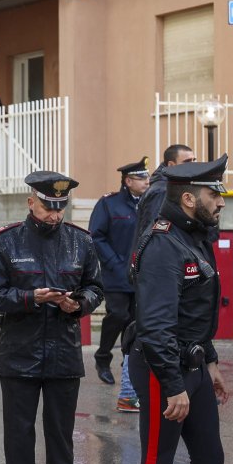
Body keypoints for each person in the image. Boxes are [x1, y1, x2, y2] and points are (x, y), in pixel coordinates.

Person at [0, 171, 104, 464]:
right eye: (49, 206)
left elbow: (95, 287)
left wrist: (78, 305)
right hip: (19, 354)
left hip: (64, 354)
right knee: (19, 438)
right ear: (30, 201)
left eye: (61, 207)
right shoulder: (7, 240)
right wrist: (30, 298)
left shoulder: (81, 241)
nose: (55, 215)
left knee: (62, 438)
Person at [127, 154, 229, 464]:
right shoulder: (163, 244)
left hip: (194, 365)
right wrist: (173, 385)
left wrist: (210, 361)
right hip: (163, 368)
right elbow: (156, 328)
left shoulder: (194, 236)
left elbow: (194, 311)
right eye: (214, 194)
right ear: (188, 199)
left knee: (210, 460)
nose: (221, 202)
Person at [89, 158, 151, 412]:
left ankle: (129, 369)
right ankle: (103, 357)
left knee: (135, 322)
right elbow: (97, 235)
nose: (147, 181)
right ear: (128, 181)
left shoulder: (149, 203)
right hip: (116, 275)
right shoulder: (109, 203)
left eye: (148, 177)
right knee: (118, 314)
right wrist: (114, 263)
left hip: (142, 275)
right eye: (141, 178)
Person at [132, 144, 196, 246]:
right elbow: (154, 235)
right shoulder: (162, 191)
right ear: (171, 165)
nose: (193, 165)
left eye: (194, 160)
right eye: (187, 162)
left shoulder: (174, 187)